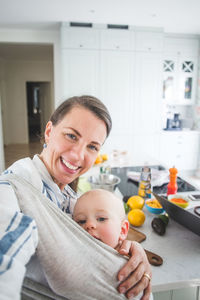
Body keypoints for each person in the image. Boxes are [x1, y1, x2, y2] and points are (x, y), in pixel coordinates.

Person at [0, 95, 152, 300]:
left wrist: (132, 249)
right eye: (71, 136)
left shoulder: (71, 199)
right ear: (48, 131)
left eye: (92, 146)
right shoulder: (15, 188)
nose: (78, 155)